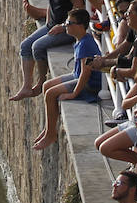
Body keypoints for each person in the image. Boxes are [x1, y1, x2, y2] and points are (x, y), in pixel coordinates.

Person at [12, 0, 85, 100]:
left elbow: (79, 9)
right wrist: (33, 11)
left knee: (37, 47)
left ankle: (40, 83)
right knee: (25, 46)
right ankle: (26, 86)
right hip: (51, 26)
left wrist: (64, 26)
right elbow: (53, 8)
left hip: (68, 29)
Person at [31, 8, 102, 149]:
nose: (66, 26)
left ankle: (51, 135)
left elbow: (86, 73)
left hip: (88, 84)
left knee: (51, 94)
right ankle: (48, 129)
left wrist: (74, 93)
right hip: (77, 75)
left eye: (69, 23)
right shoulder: (80, 39)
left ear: (80, 26)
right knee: (46, 86)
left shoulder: (86, 44)